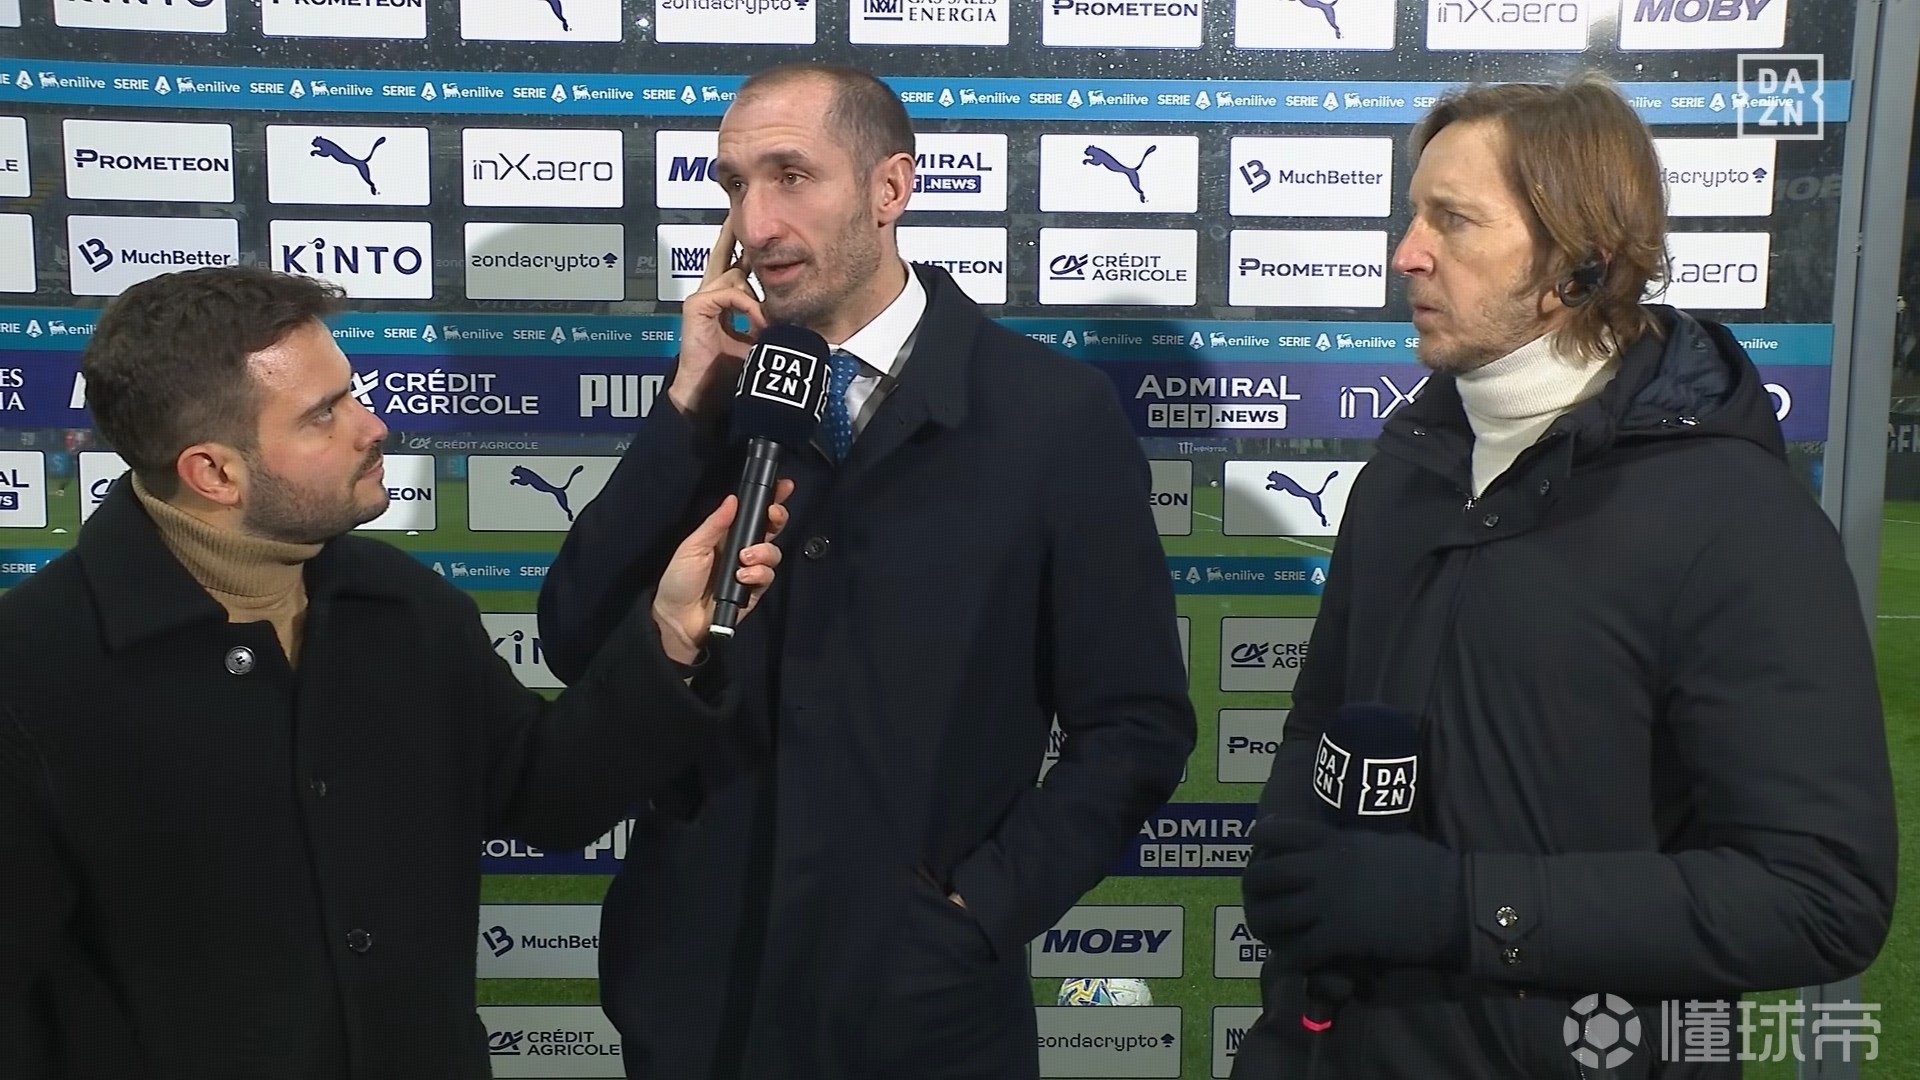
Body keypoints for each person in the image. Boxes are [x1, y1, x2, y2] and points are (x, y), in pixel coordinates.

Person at [537, 62, 1196, 1080]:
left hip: (921, 1022)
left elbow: (1136, 724)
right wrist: (688, 402)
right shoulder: (716, 399)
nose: (756, 223)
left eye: (791, 175)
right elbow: (574, 637)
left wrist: (978, 910)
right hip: (700, 1009)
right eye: (734, 186)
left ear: (890, 188)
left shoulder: (1050, 415)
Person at [1233, 74, 1898, 1078]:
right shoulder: (1407, 470)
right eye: (1414, 216)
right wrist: (1291, 854)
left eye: (1453, 221)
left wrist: (1470, 911)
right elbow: (1319, 715)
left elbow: (1820, 897)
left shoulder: (1735, 518)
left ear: (1578, 263)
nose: (1406, 253)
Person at [0, 265, 790, 1078]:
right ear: (215, 473)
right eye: (323, 414)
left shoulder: (404, 606)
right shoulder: (30, 673)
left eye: (352, 393)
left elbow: (548, 798)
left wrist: (668, 638)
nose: (373, 426)